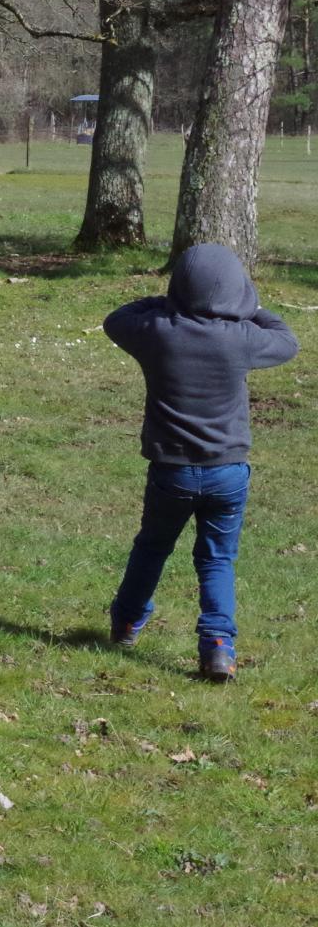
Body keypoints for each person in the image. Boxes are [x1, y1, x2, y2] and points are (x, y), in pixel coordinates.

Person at [103, 242, 299, 681]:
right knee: (216, 560)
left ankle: (127, 621)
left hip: (170, 471)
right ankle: (217, 645)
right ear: (236, 293)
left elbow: (115, 319)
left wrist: (164, 302)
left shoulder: (157, 330)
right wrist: (253, 308)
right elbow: (288, 340)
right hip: (228, 471)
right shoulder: (243, 338)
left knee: (152, 547)